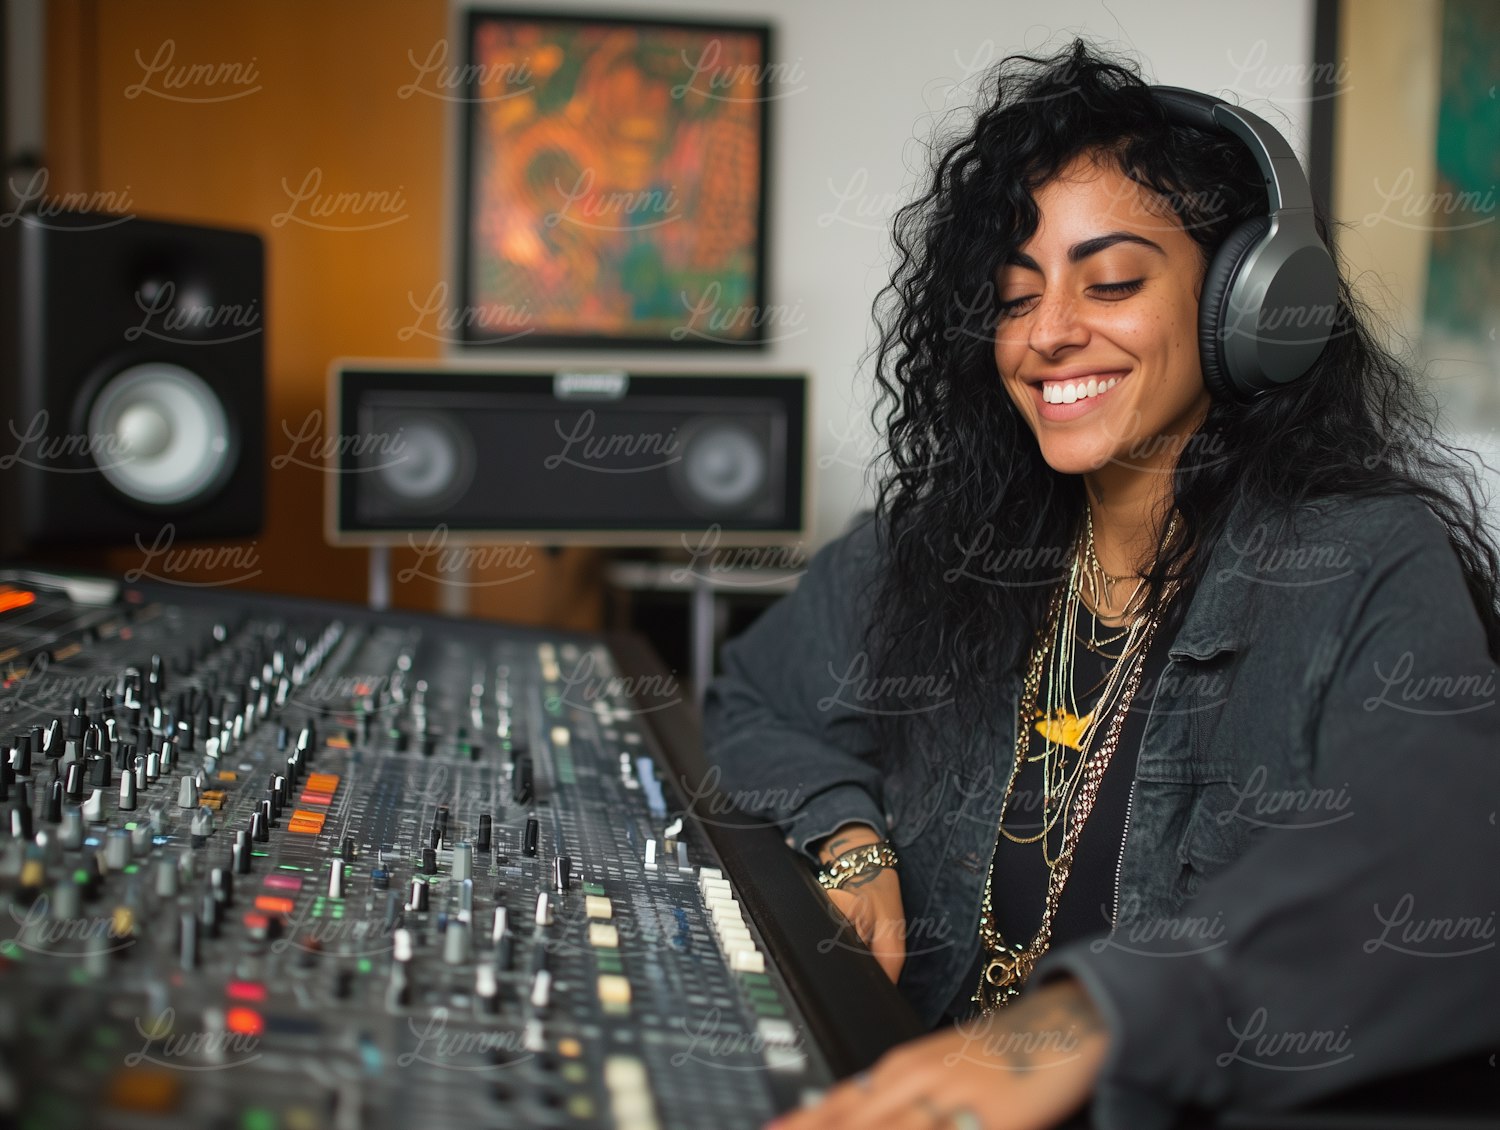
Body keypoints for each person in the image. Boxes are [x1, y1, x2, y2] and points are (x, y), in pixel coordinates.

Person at [701, 37, 1500, 1130]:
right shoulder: (937, 545)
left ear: (1246, 306)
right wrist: (846, 832)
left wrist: (1091, 1018)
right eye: (1017, 297)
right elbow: (749, 701)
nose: (1050, 333)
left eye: (1113, 280)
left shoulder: (1363, 559)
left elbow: (1442, 865)